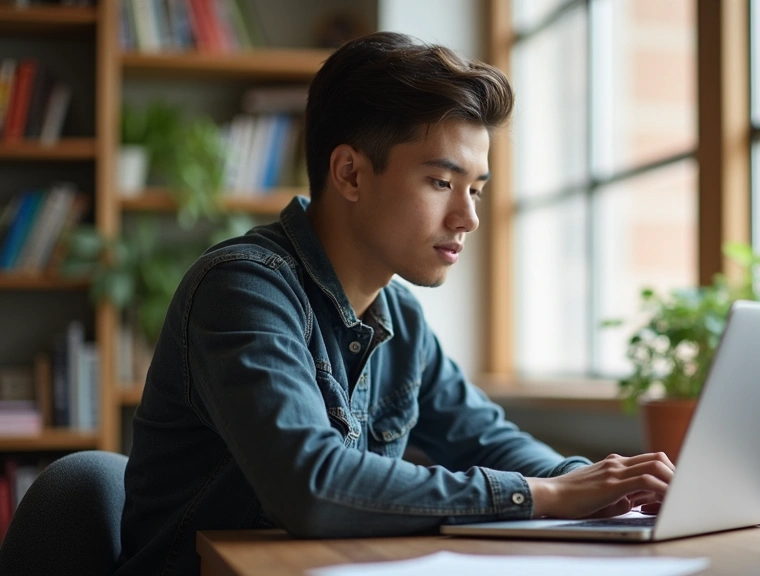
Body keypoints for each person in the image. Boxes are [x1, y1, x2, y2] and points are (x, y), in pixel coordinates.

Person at [115, 31, 673, 576]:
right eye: (440, 182)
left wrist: (609, 485)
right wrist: (542, 495)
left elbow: (487, 438)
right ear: (350, 173)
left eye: (475, 189)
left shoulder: (399, 315)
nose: (468, 218)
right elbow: (313, 486)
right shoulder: (242, 288)